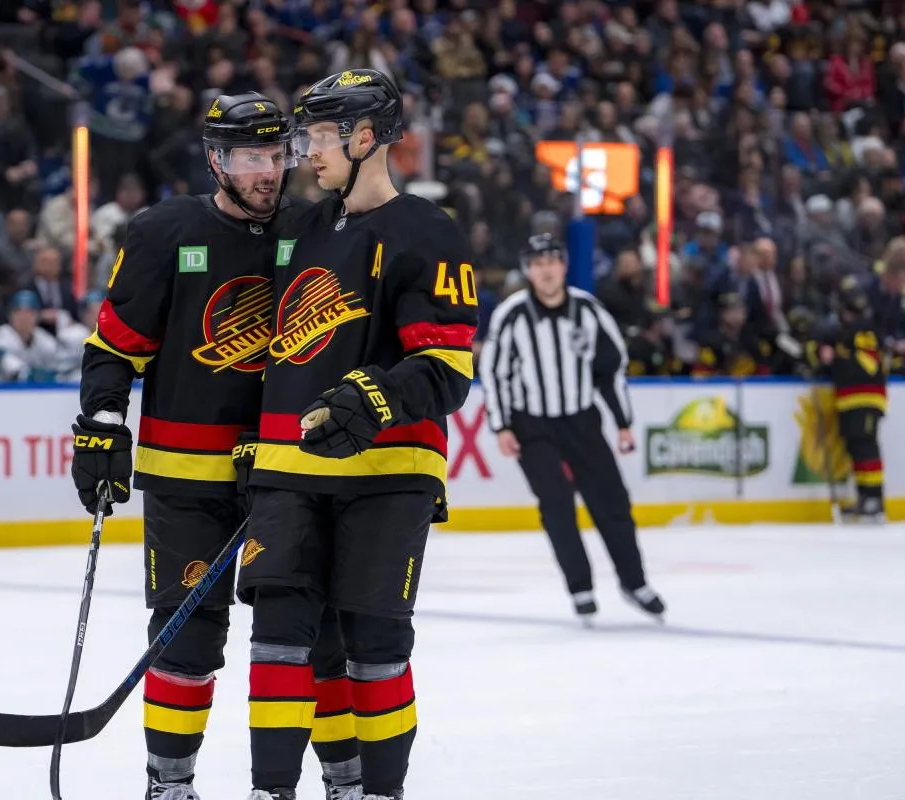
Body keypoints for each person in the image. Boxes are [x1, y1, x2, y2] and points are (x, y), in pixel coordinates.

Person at [70, 93, 361, 800]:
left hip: (287, 474)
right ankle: (169, 785)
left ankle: (345, 781)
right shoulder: (164, 231)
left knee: (315, 636)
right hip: (186, 478)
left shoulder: (314, 227)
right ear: (216, 160)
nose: (268, 171)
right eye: (250, 157)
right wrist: (103, 422)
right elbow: (114, 347)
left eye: (277, 154)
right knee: (189, 637)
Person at [234, 69, 478, 800]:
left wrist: (375, 395)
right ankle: (272, 790)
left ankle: (380, 792)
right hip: (289, 471)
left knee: (375, 645)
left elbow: (447, 370)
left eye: (317, 137)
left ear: (365, 137)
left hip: (387, 474)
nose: (305, 152)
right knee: (278, 637)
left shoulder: (428, 232)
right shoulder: (300, 229)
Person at [479, 234, 665, 624]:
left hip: (581, 420)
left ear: (563, 266)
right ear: (529, 271)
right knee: (557, 505)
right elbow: (495, 373)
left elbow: (610, 369)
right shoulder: (512, 314)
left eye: (552, 261)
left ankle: (634, 582)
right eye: (538, 263)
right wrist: (502, 426)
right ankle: (580, 587)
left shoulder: (588, 310)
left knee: (612, 502)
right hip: (532, 424)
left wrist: (623, 423)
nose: (546, 270)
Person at [808, 276, 887, 523]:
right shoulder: (846, 333)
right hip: (849, 400)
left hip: (864, 398)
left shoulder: (862, 331)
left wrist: (834, 356)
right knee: (857, 448)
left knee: (866, 447)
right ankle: (865, 497)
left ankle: (874, 498)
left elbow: (862, 364)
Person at [0, 290, 60, 383]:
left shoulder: (44, 339)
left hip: (35, 390)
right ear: (10, 315)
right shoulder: (2, 334)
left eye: (29, 313)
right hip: (2, 388)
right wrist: (27, 373)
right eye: (19, 312)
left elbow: (56, 367)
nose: (24, 318)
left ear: (37, 316)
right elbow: (3, 360)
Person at [56, 289, 102, 382]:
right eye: (93, 310)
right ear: (84, 313)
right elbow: (62, 371)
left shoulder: (110, 337)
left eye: (101, 310)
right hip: (70, 384)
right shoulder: (73, 334)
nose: (98, 315)